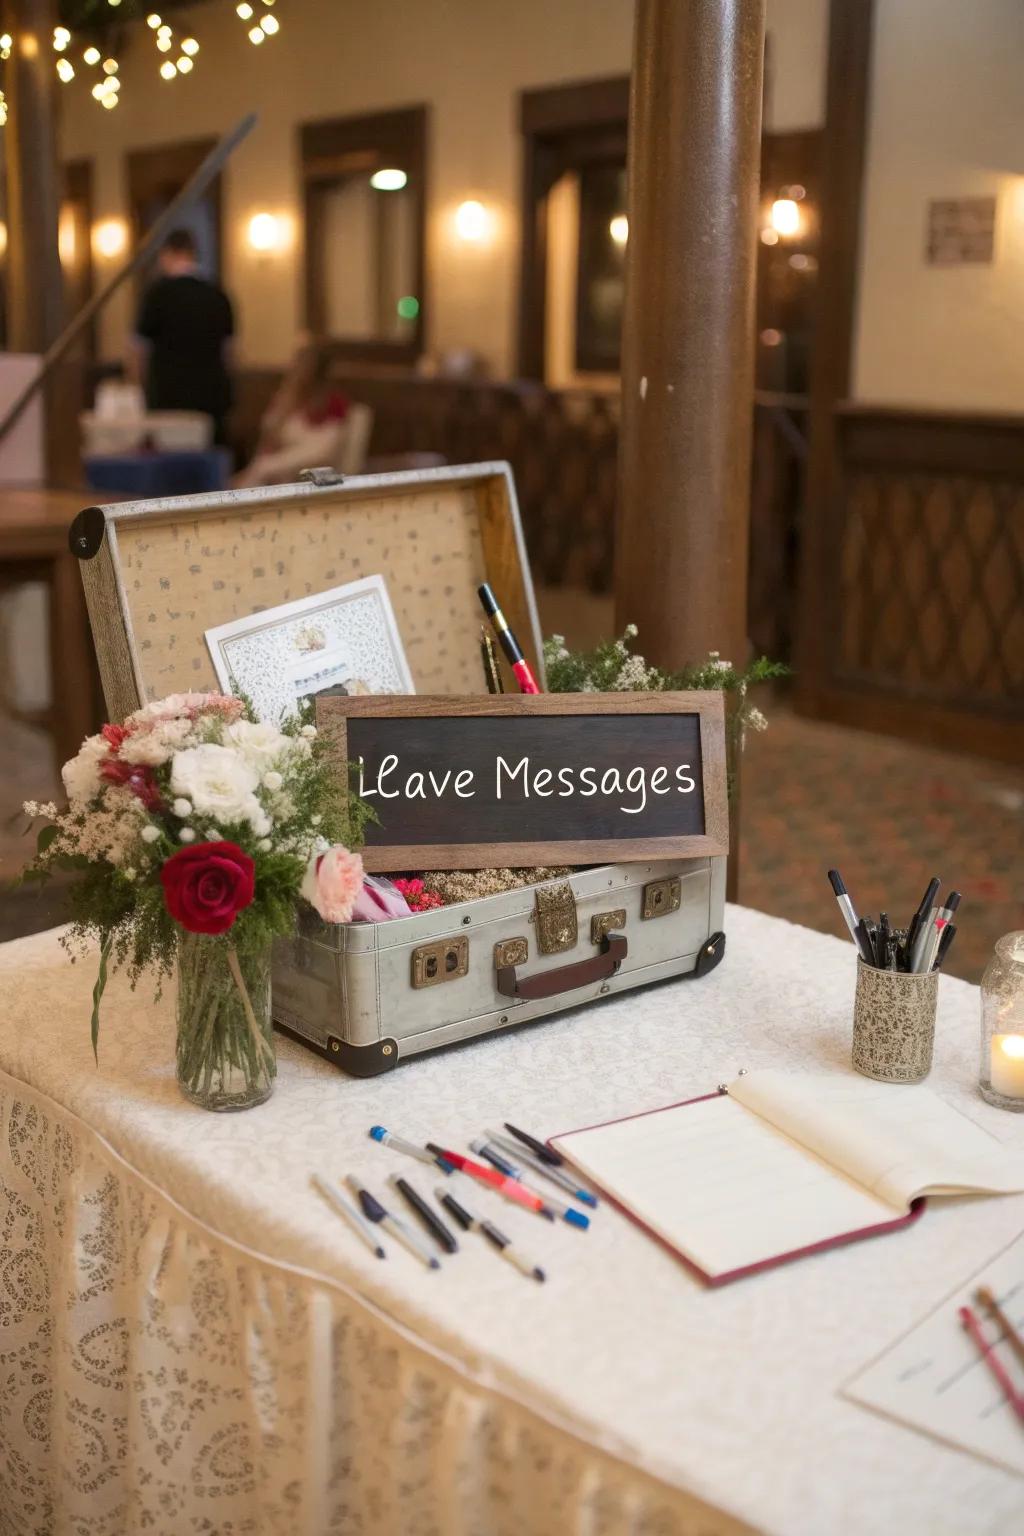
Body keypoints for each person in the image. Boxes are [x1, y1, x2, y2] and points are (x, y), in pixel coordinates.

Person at [130, 229, 235, 444]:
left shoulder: (157, 294)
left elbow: (138, 350)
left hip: (167, 398)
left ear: (167, 253)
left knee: (170, 463)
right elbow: (230, 352)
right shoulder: (217, 295)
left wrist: (138, 390)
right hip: (210, 397)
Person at [233, 339, 350, 487]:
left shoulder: (333, 401)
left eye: (305, 364)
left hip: (314, 456)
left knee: (265, 468)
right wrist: (285, 402)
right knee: (263, 468)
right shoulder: (287, 397)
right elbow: (270, 433)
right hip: (285, 456)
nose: (299, 369)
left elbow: (327, 447)